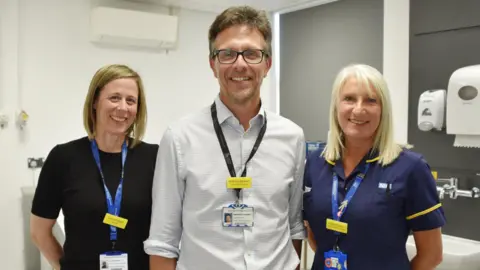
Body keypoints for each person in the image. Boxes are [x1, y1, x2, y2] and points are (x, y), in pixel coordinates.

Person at [144, 5, 306, 270]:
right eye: (227, 54)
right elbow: (163, 241)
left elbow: (293, 228)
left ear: (267, 64)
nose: (240, 64)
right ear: (213, 64)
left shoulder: (292, 137)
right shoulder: (180, 138)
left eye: (252, 54)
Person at [303, 64, 446, 270]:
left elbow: (432, 255)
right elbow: (316, 238)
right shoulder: (316, 162)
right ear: (336, 106)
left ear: (383, 109)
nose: (359, 109)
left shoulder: (410, 168)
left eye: (371, 100)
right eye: (349, 99)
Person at [30, 64, 159, 270]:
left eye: (131, 100)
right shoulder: (63, 158)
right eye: (114, 98)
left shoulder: (154, 158)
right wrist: (62, 266)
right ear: (95, 102)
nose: (123, 108)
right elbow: (39, 231)